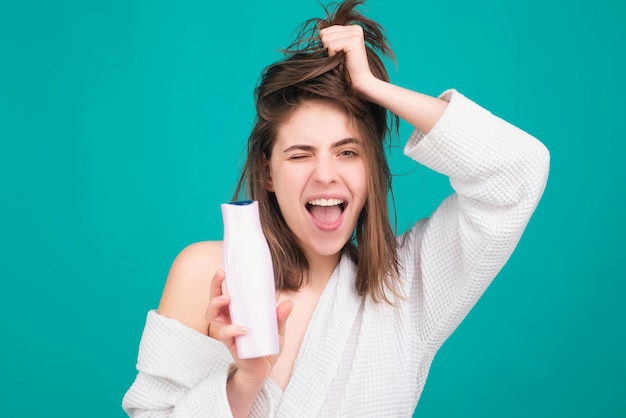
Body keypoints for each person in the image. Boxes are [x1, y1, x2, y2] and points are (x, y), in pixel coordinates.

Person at [122, 0, 550, 416]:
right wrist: (245, 382)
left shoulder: (408, 287)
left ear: (372, 169)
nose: (326, 175)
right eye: (300, 154)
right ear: (268, 172)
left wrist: (374, 89)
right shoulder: (208, 275)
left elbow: (518, 172)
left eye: (347, 152)